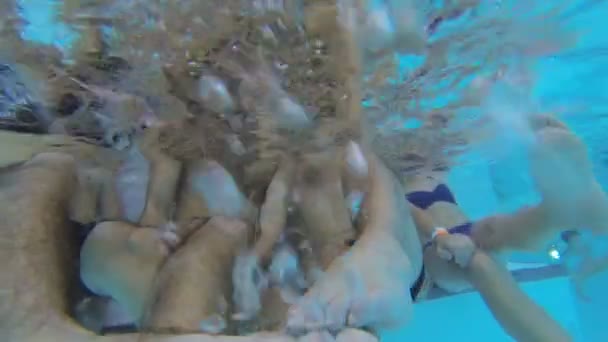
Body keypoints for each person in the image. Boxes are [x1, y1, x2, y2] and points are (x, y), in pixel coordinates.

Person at [402, 114, 605, 341]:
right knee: (479, 263)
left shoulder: (438, 165)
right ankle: (554, 215)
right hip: (432, 249)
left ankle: (553, 214)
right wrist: (440, 234)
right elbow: (405, 209)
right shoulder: (396, 172)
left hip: (468, 232)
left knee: (491, 235)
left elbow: (469, 131)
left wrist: (522, 122)